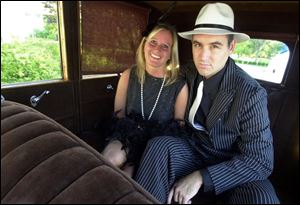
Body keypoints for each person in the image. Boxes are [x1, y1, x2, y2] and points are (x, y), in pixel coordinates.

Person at [134, 2, 280, 204]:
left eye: (215, 46)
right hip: (193, 150)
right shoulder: (187, 72)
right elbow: (160, 75)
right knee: (159, 146)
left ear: (231, 47)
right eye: (197, 45)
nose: (203, 57)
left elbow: (260, 161)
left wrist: (202, 177)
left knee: (262, 198)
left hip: (232, 162)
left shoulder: (251, 93)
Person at [101, 23, 189, 178]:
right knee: (109, 159)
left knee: (130, 176)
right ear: (144, 45)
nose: (156, 50)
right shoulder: (129, 75)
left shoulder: (179, 86)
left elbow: (177, 130)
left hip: (155, 147)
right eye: (153, 42)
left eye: (165, 46)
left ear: (170, 54)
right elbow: (119, 118)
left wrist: (140, 158)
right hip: (126, 138)